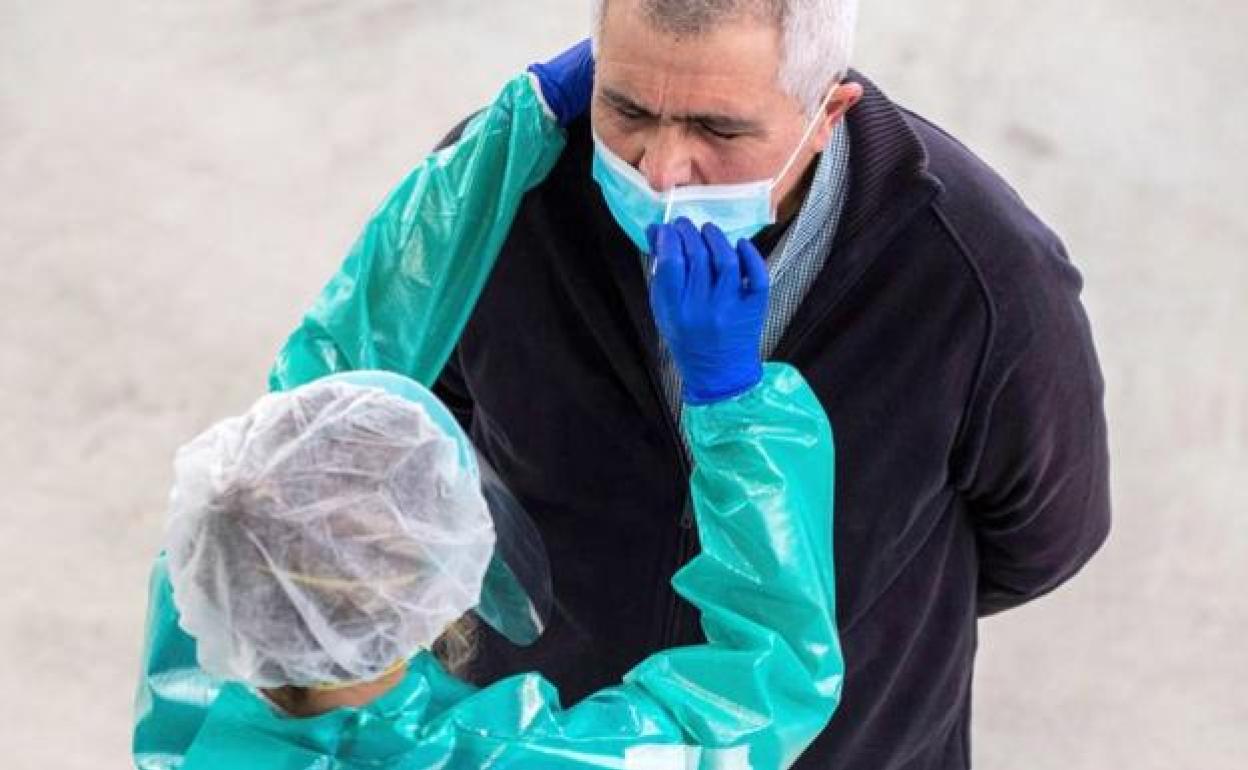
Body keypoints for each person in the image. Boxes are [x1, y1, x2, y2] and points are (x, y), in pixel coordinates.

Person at [270, 2, 1113, 768]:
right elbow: (389, 414)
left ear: (828, 113)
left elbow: (1044, 537)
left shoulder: (976, 275)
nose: (664, 168)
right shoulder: (497, 199)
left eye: (719, 127)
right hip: (543, 731)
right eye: (628, 110)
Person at [134, 44, 842, 769]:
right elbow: (768, 685)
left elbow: (322, 406)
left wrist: (509, 136)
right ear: (436, 597)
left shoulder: (191, 714)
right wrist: (732, 401)